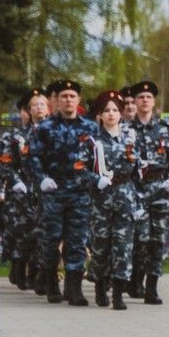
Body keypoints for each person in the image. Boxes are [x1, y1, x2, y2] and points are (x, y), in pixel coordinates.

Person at [28, 82, 100, 304]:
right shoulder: (45, 128)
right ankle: (52, 284)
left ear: (78, 100)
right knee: (51, 239)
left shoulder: (90, 128)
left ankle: (74, 288)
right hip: (55, 191)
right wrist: (42, 178)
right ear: (56, 101)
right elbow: (33, 156)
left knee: (77, 240)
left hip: (80, 192)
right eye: (64, 96)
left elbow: (97, 159)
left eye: (72, 96)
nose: (68, 100)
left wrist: (97, 180)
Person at [128, 80, 169, 305]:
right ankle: (135, 279)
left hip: (160, 191)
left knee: (157, 240)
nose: (144, 100)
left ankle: (151, 287)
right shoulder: (127, 130)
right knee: (139, 239)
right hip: (136, 192)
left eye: (148, 97)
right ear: (135, 102)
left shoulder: (164, 129)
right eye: (140, 97)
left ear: (153, 102)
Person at [89, 90, 141, 310]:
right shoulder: (92, 142)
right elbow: (79, 170)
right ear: (100, 115)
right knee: (100, 246)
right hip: (101, 200)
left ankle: (118, 293)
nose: (111, 114)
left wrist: (140, 202)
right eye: (106, 110)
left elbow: (140, 171)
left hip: (125, 197)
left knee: (123, 245)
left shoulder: (131, 139)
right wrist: (95, 180)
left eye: (115, 110)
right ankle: (100, 286)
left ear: (121, 114)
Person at [0, 90, 48, 289]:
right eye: (34, 105)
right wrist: (15, 181)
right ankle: (18, 265)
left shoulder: (52, 133)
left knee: (42, 232)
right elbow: (4, 163)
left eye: (43, 104)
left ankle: (36, 272)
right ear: (28, 110)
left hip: (45, 188)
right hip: (22, 189)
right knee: (22, 231)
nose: (39, 108)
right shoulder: (15, 136)